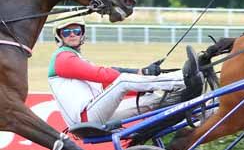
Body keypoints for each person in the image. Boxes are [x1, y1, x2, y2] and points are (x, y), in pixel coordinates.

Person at [48, 19, 203, 127]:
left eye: (76, 30)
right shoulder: (62, 58)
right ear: (59, 36)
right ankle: (182, 79)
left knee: (151, 99)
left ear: (82, 33)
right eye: (67, 32)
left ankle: (205, 111)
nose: (72, 34)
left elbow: (105, 85)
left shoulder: (76, 59)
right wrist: (140, 73)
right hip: (86, 118)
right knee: (123, 81)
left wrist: (144, 83)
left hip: (95, 114)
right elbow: (102, 75)